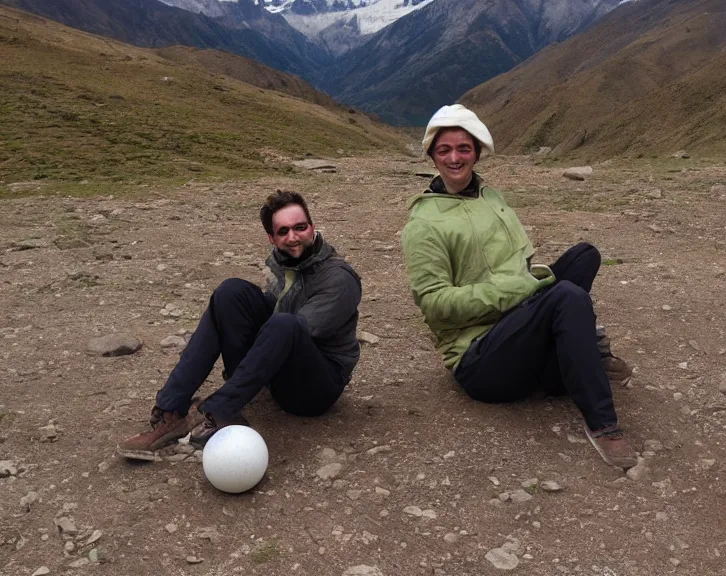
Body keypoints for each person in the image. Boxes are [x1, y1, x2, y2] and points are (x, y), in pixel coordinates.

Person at [401, 104, 637, 469]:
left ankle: (578, 350)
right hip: (480, 359)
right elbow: (435, 304)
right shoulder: (424, 223)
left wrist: (528, 289)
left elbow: (518, 264)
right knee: (565, 295)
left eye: (464, 148)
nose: (454, 157)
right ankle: (603, 423)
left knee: (583, 256)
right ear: (432, 155)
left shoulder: (489, 197)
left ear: (477, 152)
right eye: (444, 149)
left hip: (516, 327)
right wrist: (522, 291)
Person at [117, 190, 362, 460]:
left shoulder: (338, 279)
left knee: (285, 324)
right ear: (272, 237)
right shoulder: (288, 263)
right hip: (279, 366)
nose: (292, 237)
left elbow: (297, 329)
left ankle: (219, 410)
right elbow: (276, 316)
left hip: (316, 388)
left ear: (312, 227)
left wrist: (243, 345)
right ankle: (171, 409)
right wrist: (235, 321)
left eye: (300, 227)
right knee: (230, 293)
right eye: (283, 231)